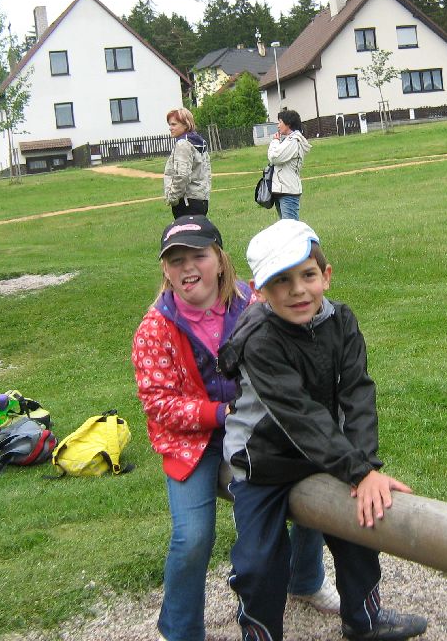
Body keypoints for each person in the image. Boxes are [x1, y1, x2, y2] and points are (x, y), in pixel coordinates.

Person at [219, 219, 428, 641]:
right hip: (262, 460)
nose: (298, 290)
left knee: (359, 528)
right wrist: (356, 470)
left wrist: (365, 468)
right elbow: (297, 413)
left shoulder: (341, 321)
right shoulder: (259, 338)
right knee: (258, 563)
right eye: (281, 281)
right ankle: (260, 634)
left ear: (326, 276)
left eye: (308, 275)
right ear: (259, 291)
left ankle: (364, 619)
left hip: (322, 455)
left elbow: (357, 394)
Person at [132, 215, 338, 641]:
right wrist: (220, 414)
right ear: (165, 270)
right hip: (193, 442)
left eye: (198, 256)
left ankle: (305, 578)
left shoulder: (252, 301)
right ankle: (181, 630)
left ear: (220, 260)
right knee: (192, 536)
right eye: (176, 260)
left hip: (258, 422)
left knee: (313, 480)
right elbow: (159, 403)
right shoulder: (155, 327)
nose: (188, 268)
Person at [163, 108, 211, 218]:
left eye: (174, 124)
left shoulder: (183, 144)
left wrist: (173, 198)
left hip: (186, 203)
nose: (170, 128)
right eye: (169, 125)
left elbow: (182, 175)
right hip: (201, 200)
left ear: (186, 125)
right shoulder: (199, 142)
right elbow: (207, 172)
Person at [266, 109, 311, 220]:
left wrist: (275, 141)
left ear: (288, 123)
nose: (278, 126)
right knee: (285, 227)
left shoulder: (293, 141)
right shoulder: (287, 140)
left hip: (288, 192)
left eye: (280, 122)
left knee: (291, 227)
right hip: (282, 190)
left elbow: (274, 158)